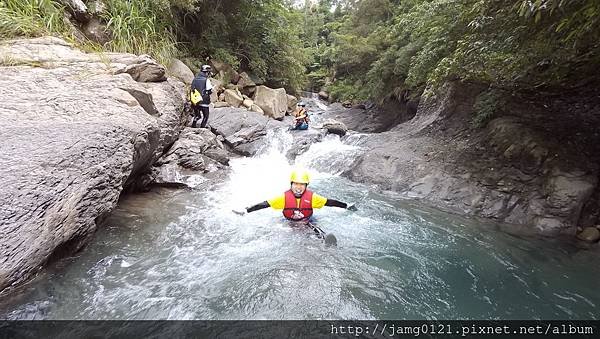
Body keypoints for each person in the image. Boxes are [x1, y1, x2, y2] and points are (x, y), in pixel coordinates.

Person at [232, 169, 357, 222]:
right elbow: (265, 204)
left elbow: (330, 202)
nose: (298, 187)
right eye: (296, 184)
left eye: (302, 184)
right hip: (288, 222)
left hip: (307, 220)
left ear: (306, 186)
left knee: (312, 229)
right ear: (291, 184)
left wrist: (346, 206)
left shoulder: (313, 198)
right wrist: (246, 211)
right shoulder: (283, 198)